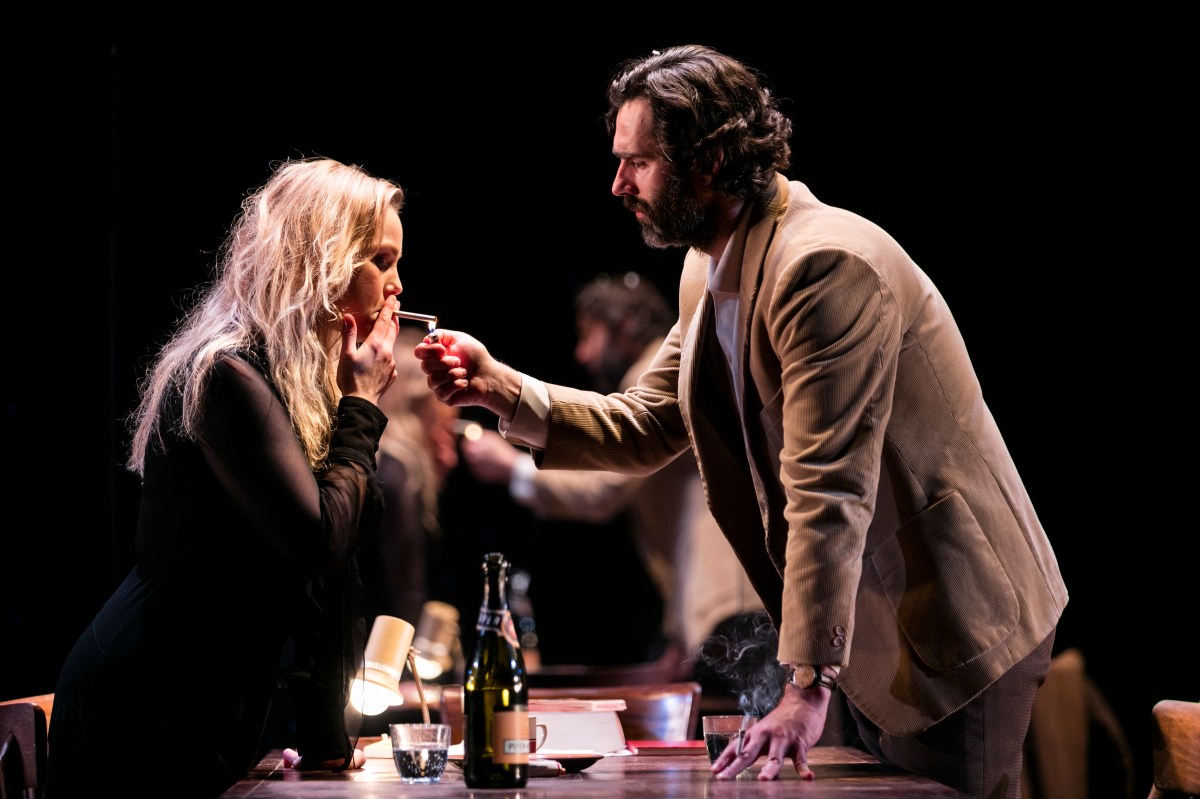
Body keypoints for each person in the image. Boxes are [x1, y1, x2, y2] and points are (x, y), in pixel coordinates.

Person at [414, 45, 1068, 798]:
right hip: (871, 624)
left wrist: (806, 684)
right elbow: (647, 421)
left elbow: (828, 489)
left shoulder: (824, 267)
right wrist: (499, 388)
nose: (618, 184)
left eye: (639, 163)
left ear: (711, 160)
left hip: (952, 617)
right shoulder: (710, 264)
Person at [46, 157, 410, 798]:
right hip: (144, 702)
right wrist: (361, 406)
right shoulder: (227, 375)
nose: (397, 285)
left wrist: (329, 741)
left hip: (204, 704)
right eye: (381, 261)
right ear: (323, 262)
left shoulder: (298, 386)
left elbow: (328, 580)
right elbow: (319, 539)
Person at [460, 271, 763, 678]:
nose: (582, 354)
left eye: (589, 334)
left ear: (625, 326)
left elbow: (603, 487)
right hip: (728, 601)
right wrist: (678, 631)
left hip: (736, 604)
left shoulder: (653, 371)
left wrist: (512, 466)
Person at [359, 325, 461, 628]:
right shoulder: (399, 473)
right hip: (386, 642)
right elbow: (406, 591)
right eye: (443, 430)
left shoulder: (377, 462)